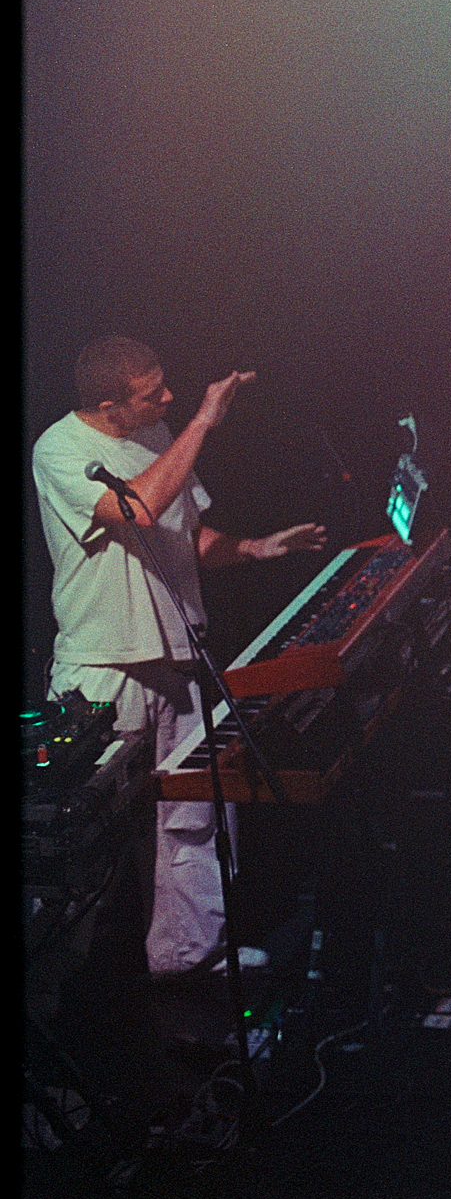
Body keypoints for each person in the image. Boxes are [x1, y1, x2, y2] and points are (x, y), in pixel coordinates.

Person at [31, 336, 326, 983]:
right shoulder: (61, 449)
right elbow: (137, 507)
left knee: (195, 815)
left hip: (177, 656)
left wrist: (253, 548)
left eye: (167, 386)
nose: (168, 397)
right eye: (152, 394)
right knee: (83, 834)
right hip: (105, 667)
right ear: (109, 406)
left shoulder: (161, 433)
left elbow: (187, 533)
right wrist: (202, 423)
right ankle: (54, 992)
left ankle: (189, 960)